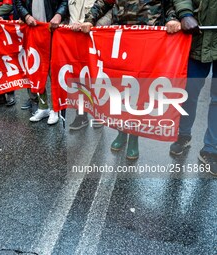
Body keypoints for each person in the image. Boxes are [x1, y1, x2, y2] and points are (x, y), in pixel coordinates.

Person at [79, 0, 181, 160]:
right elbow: (103, 2)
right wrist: (89, 19)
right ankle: (121, 132)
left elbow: (169, 4)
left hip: (149, 41)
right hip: (121, 40)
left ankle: (134, 137)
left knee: (139, 93)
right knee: (120, 89)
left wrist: (173, 20)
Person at [170, 0, 217, 176]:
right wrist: (185, 14)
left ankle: (211, 149)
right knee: (189, 92)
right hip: (197, 37)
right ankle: (184, 134)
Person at [14, 0, 69, 125]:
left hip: (52, 30)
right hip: (33, 30)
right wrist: (26, 15)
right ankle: (43, 107)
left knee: (53, 70)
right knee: (36, 68)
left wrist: (59, 14)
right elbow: (18, 3)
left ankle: (56, 109)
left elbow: (64, 2)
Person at [68, 0, 112, 130]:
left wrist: (96, 24)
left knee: (97, 75)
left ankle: (99, 114)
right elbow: (64, 9)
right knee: (79, 76)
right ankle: (81, 115)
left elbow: (111, 8)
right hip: (74, 37)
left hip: (95, 37)